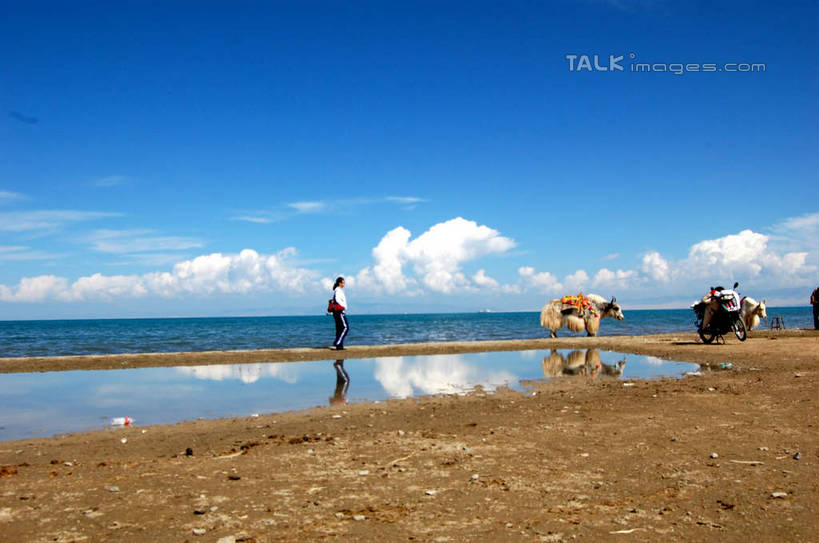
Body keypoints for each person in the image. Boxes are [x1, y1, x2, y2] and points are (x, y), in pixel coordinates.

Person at [330, 276, 349, 350]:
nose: (344, 284)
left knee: (339, 328)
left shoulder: (338, 290)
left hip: (338, 312)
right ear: (339, 283)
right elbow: (337, 299)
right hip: (339, 311)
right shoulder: (338, 290)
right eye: (343, 283)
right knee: (345, 327)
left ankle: (339, 346)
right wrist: (343, 306)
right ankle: (337, 342)